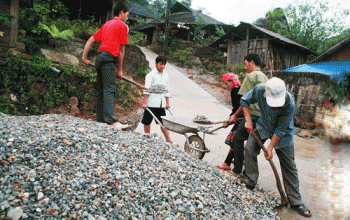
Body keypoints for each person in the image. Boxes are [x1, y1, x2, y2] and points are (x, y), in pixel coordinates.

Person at [240, 77, 312, 217]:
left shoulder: (289, 102)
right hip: (264, 125)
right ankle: (250, 179)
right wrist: (248, 120)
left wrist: (270, 147)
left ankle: (296, 201)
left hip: (283, 133)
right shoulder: (260, 89)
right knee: (249, 149)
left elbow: (280, 130)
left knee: (289, 165)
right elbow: (244, 100)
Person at [81, 1, 131, 130]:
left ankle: (101, 120)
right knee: (109, 89)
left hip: (100, 59)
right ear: (121, 13)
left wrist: (84, 57)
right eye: (127, 14)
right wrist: (119, 70)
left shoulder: (106, 24)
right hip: (109, 59)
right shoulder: (122, 26)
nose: (127, 18)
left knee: (101, 90)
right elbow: (121, 50)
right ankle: (112, 121)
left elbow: (91, 40)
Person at [224, 53, 268, 176]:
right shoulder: (265, 77)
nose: (246, 67)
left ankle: (237, 170)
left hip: (252, 115)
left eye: (246, 64)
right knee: (252, 146)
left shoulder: (251, 76)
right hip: (263, 116)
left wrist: (235, 115)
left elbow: (244, 101)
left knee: (237, 140)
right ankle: (248, 173)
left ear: (251, 62)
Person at [141, 55, 173, 143]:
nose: (162, 66)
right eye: (160, 64)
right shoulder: (150, 75)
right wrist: (145, 102)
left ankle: (168, 139)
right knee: (147, 121)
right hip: (151, 102)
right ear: (156, 64)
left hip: (161, 103)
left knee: (163, 123)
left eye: (164, 64)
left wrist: (167, 103)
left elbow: (167, 90)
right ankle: (147, 137)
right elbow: (146, 89)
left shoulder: (166, 76)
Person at [216, 73, 242, 170]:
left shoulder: (235, 91)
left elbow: (236, 108)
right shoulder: (240, 88)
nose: (226, 86)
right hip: (242, 116)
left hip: (241, 117)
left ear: (232, 82)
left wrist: (229, 120)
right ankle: (239, 158)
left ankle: (227, 163)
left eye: (227, 84)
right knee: (238, 140)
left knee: (234, 140)